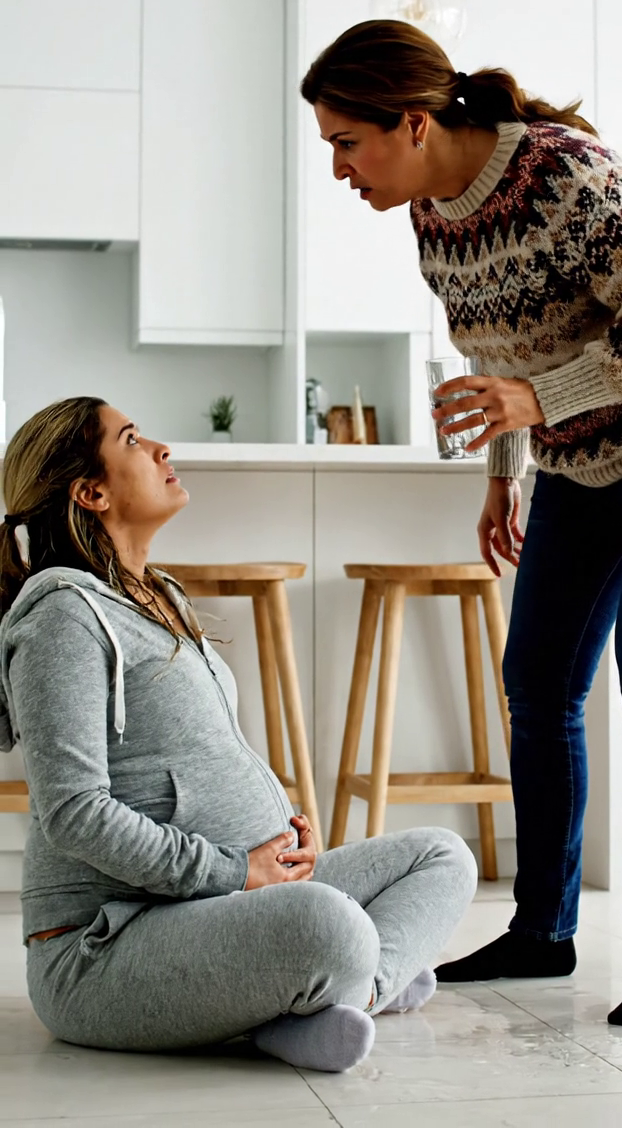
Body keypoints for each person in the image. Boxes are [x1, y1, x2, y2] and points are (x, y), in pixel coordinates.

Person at [301, 19, 622, 1028]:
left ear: (410, 122)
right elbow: (497, 359)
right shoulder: (434, 215)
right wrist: (507, 470)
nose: (339, 170)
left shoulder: (573, 177)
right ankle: (545, 928)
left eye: (346, 143)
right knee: (535, 681)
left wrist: (537, 404)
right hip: (576, 459)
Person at [0, 397, 478, 1072]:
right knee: (330, 926)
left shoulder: (157, 594)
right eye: (133, 439)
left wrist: (281, 832)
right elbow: (73, 813)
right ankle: (344, 983)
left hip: (224, 901)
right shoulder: (63, 618)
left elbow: (200, 760)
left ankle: (339, 997)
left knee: (443, 858)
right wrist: (234, 868)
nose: (162, 448)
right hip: (105, 946)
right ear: (91, 491)